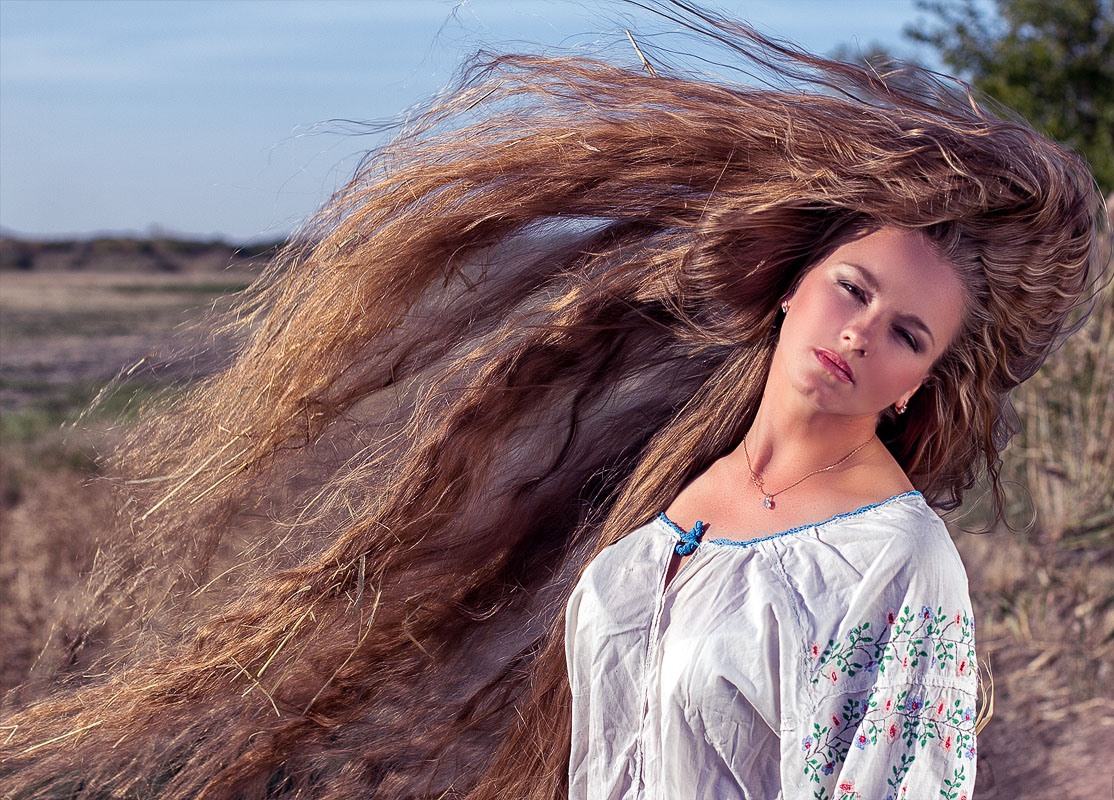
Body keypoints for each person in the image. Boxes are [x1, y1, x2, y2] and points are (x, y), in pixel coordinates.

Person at [0, 4, 1105, 799]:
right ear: (790, 285)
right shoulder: (690, 483)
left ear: (924, 378)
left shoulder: (893, 565)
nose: (861, 331)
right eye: (850, 289)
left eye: (906, 331)